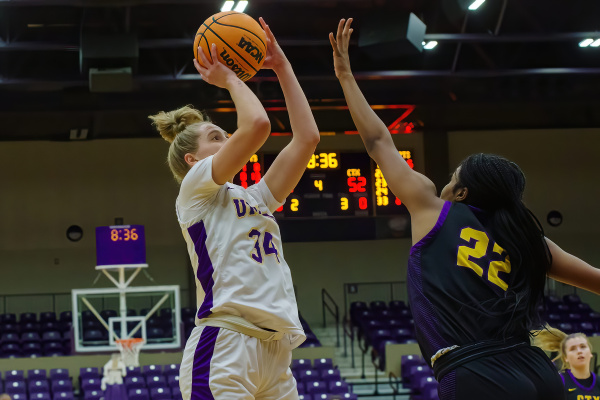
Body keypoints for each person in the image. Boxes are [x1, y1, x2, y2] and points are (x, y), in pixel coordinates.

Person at [329, 17, 600, 400]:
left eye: (453, 175)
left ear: (460, 192)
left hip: (477, 372)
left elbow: (377, 141)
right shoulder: (526, 238)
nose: (446, 180)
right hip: (538, 371)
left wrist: (345, 75)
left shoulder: (432, 208)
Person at [149, 18, 319, 400]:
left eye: (227, 135)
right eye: (216, 137)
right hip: (227, 343)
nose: (227, 140)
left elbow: (307, 138)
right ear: (193, 160)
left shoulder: (255, 198)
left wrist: (282, 67)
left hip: (275, 353)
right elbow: (257, 124)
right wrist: (227, 78)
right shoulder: (195, 191)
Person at [535, 329, 600, 399]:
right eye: (573, 349)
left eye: (583, 347)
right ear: (566, 358)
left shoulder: (598, 382)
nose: (579, 351)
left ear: (590, 353)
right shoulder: (559, 382)